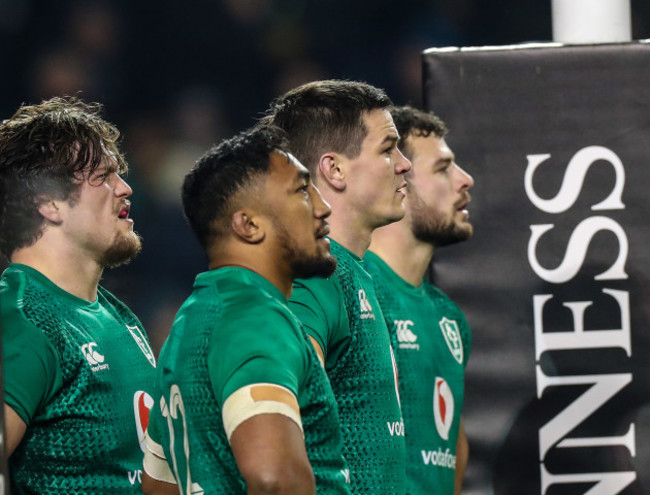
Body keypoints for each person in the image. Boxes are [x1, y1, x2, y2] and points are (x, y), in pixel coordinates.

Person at [141, 125, 350, 495]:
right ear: (249, 225)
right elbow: (273, 479)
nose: (323, 206)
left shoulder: (187, 325)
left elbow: (158, 484)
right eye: (302, 190)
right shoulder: (255, 316)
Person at [0, 97, 156, 493]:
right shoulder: (22, 319)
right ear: (49, 203)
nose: (124, 188)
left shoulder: (119, 317)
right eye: (103, 176)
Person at [262, 80, 411, 493]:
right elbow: (275, 411)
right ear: (334, 169)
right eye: (387, 149)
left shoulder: (350, 271)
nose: (404, 164)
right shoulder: (315, 274)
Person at [365, 105, 474, 495]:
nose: (465, 181)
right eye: (443, 169)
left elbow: (453, 449)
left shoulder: (449, 318)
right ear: (398, 179)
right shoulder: (352, 290)